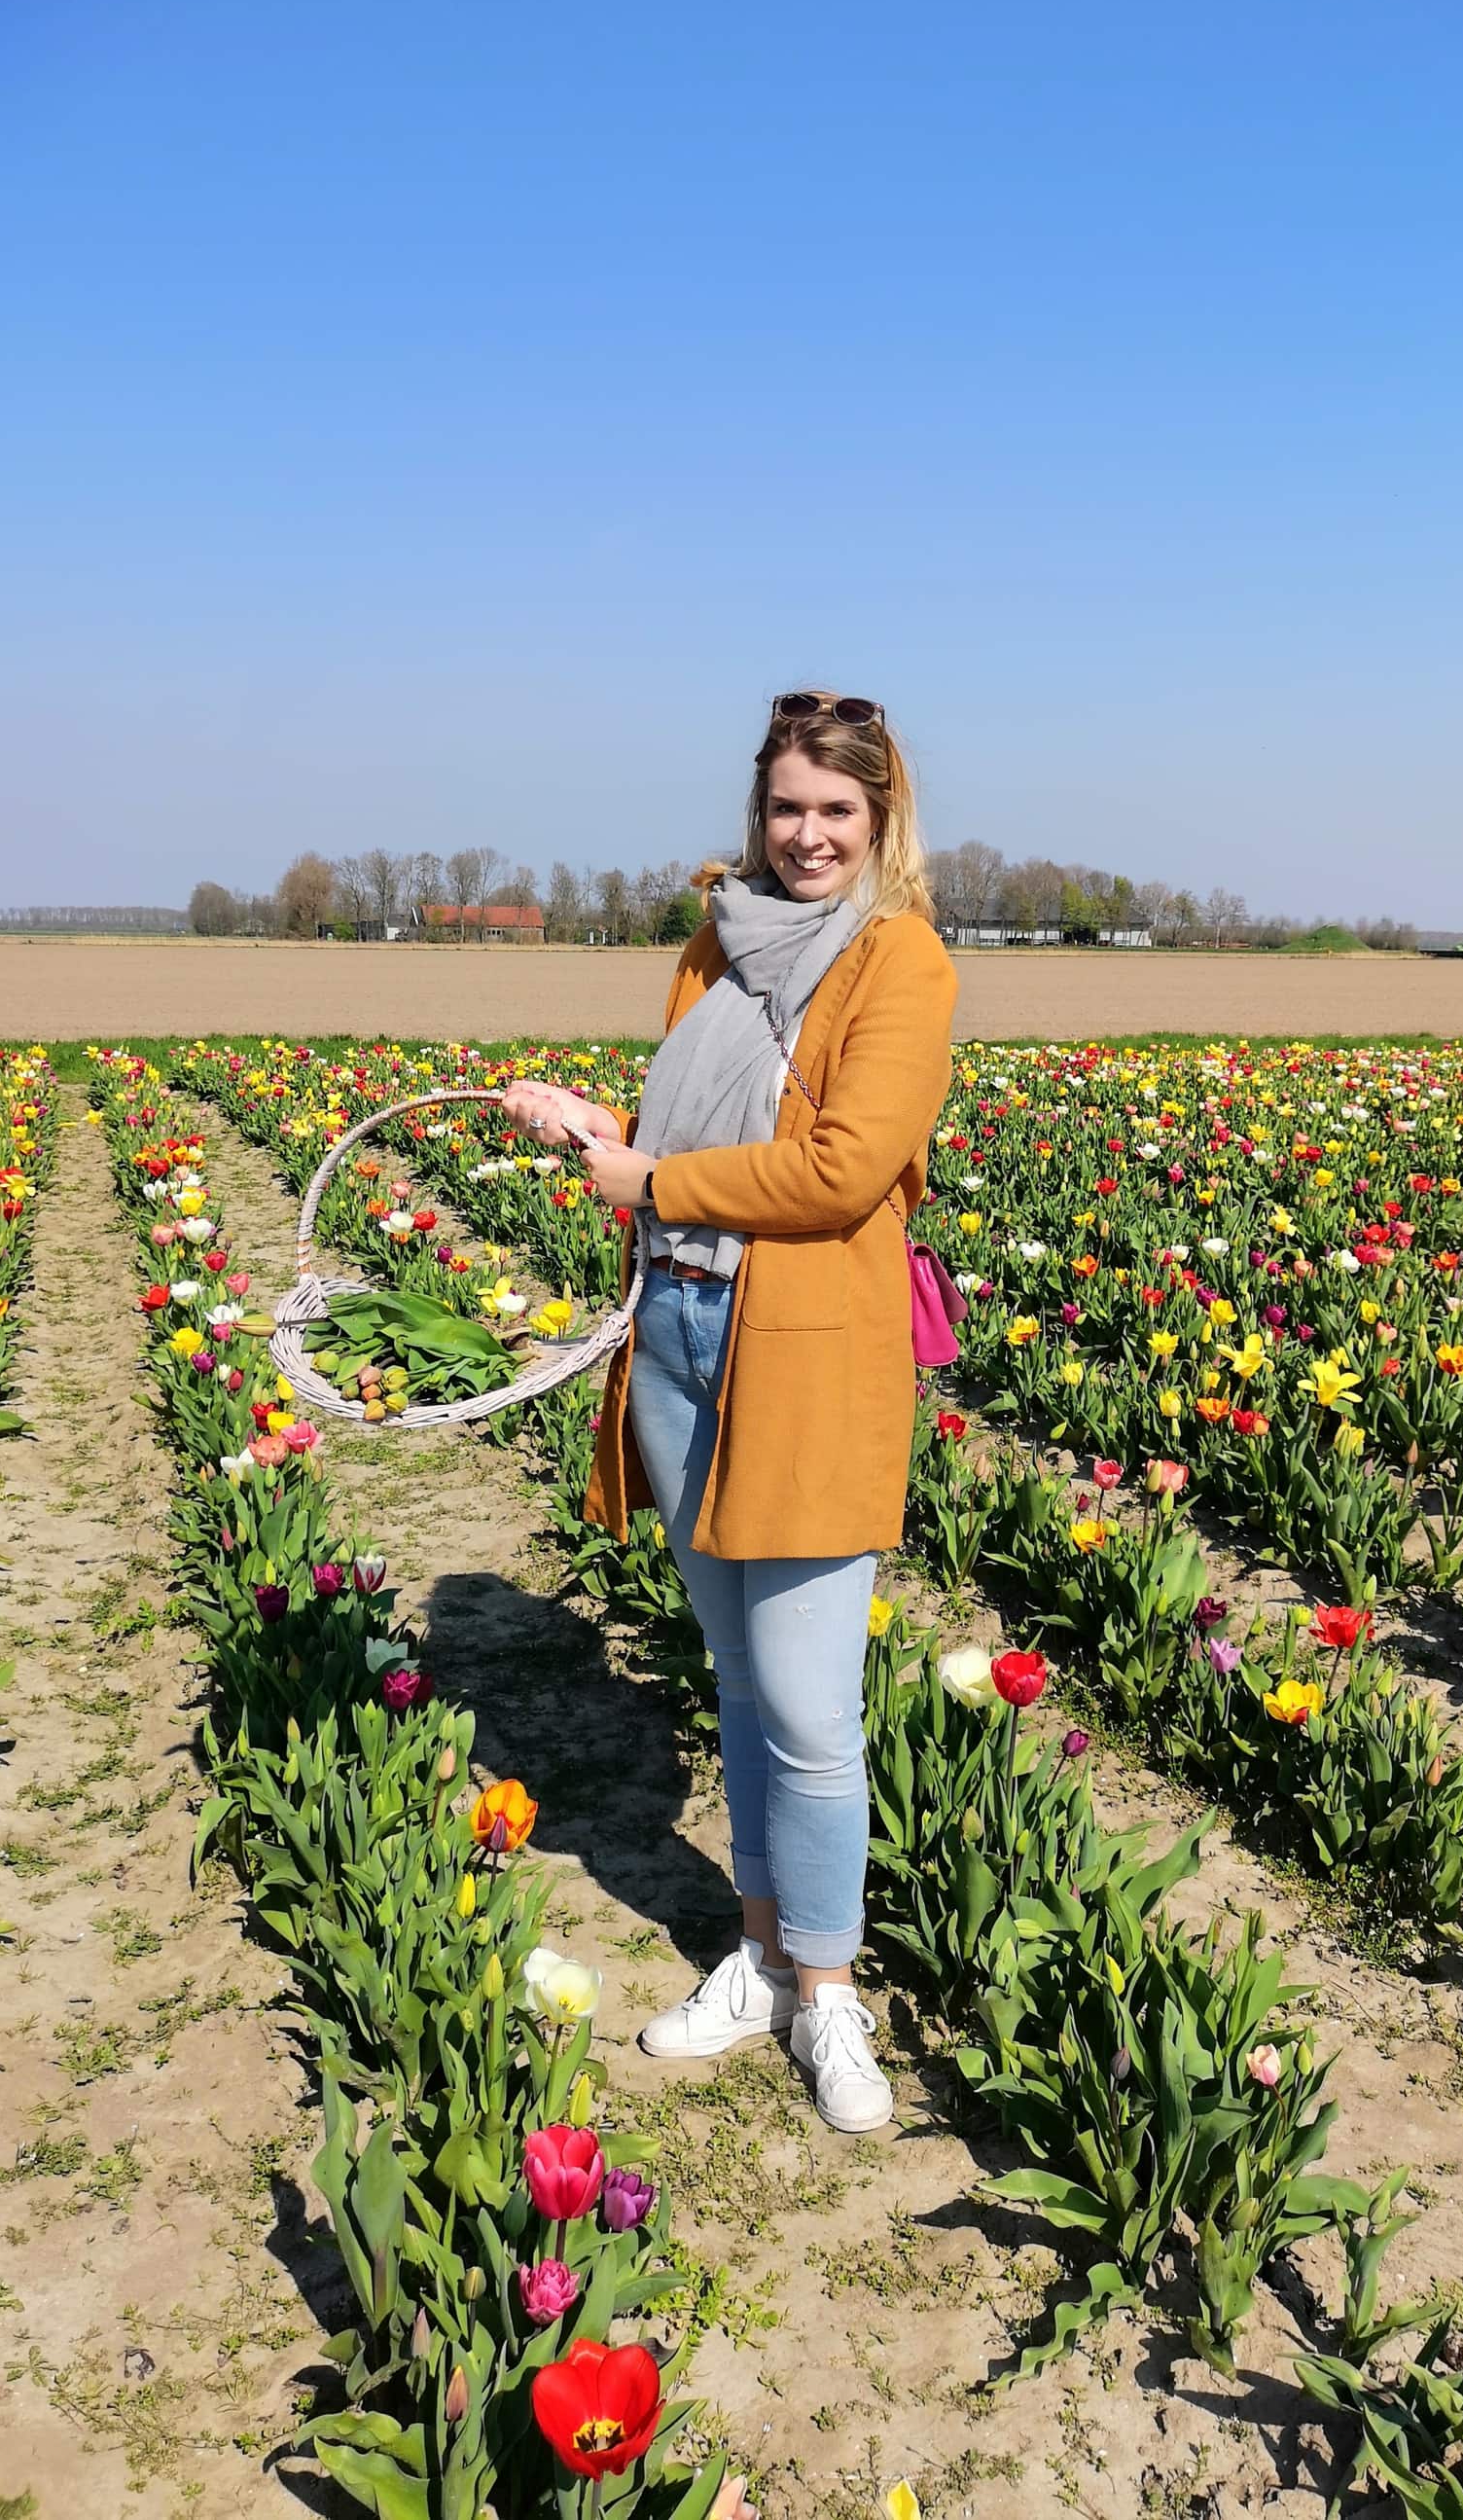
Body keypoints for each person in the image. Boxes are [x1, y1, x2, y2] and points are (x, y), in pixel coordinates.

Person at [501, 691, 956, 2131]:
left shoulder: (904, 959)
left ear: (881, 817)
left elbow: (839, 1168)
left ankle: (828, 1991)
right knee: (744, 1683)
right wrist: (593, 1128)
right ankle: (759, 1953)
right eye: (785, 807)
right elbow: (689, 1130)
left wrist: (655, 1184)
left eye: (837, 808)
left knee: (817, 1713)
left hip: (809, 1345)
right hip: (685, 1328)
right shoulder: (715, 942)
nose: (808, 834)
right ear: (753, 814)